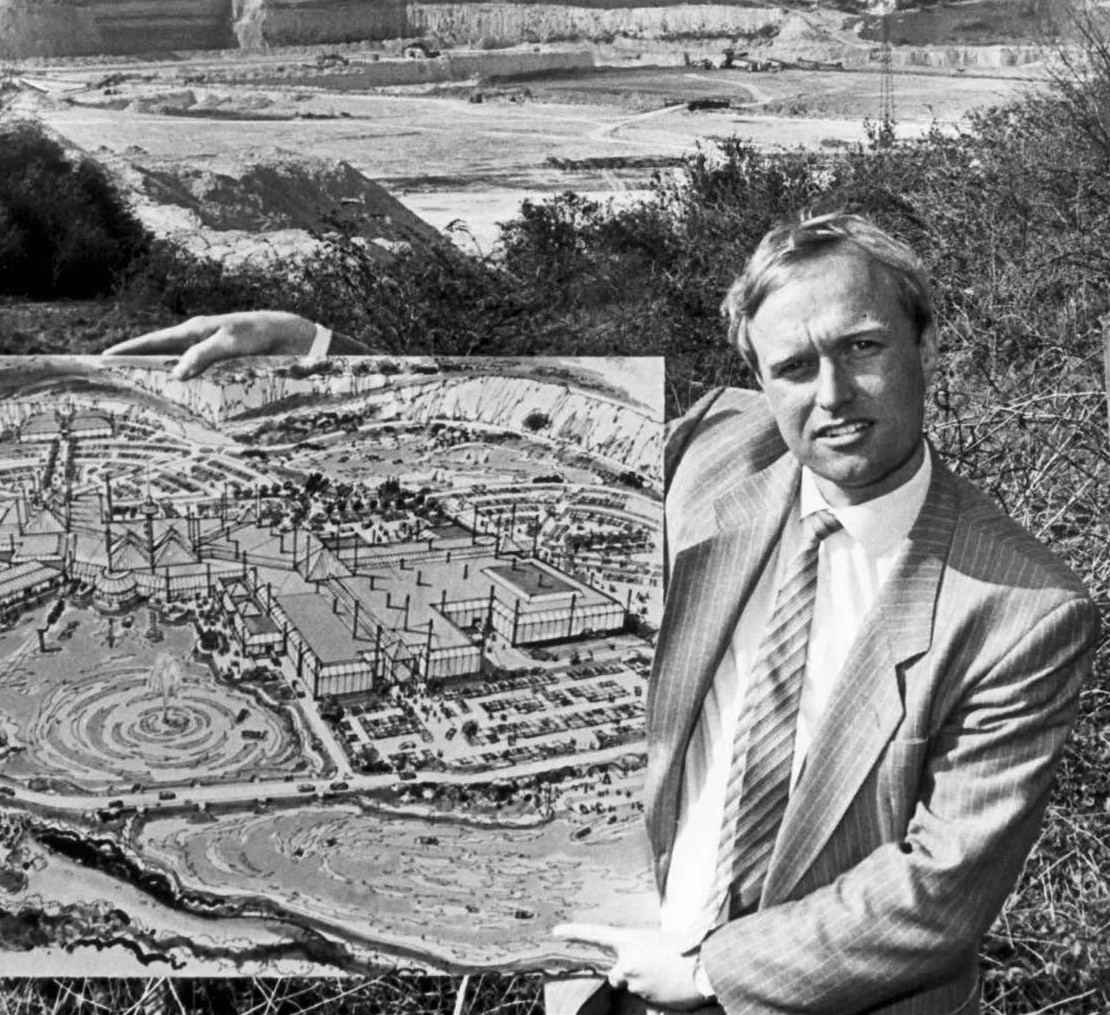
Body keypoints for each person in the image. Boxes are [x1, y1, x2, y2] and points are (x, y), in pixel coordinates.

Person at [104, 212, 1099, 1015]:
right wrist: (317, 353)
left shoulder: (1019, 608)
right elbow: (510, 451)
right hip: (605, 979)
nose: (832, 395)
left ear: (925, 340)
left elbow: (940, 892)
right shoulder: (715, 450)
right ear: (757, 380)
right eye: (794, 368)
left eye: (864, 347)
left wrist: (713, 972)